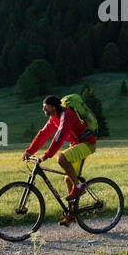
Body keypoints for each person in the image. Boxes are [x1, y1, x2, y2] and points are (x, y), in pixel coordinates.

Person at [22, 95, 97, 225]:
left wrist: (47, 155)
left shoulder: (67, 115)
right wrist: (29, 151)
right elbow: (43, 134)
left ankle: (79, 187)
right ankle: (72, 214)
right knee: (68, 179)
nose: (43, 109)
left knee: (61, 158)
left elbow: (60, 135)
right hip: (76, 144)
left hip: (87, 143)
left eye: (45, 107)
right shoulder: (53, 119)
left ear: (53, 106)